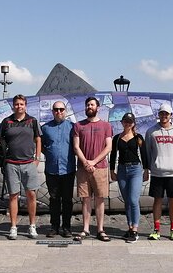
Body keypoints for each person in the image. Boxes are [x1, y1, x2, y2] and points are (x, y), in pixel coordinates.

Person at [0, 94, 42, 240]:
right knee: (13, 196)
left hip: (28, 163)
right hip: (11, 164)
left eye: (21, 104)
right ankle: (13, 226)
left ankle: (32, 226)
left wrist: (37, 159)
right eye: (16, 104)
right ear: (13, 106)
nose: (19, 106)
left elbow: (38, 139)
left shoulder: (32, 121)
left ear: (25, 105)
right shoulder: (6, 122)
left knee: (31, 195)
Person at [73, 96, 113, 242]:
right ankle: (85, 229)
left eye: (92, 105)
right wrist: (85, 162)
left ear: (98, 108)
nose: (89, 107)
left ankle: (101, 229)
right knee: (85, 199)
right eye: (87, 105)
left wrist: (94, 161)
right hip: (83, 168)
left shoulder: (106, 126)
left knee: (100, 199)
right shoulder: (78, 126)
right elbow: (76, 146)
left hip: (100, 168)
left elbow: (108, 146)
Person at [145, 103, 173, 241]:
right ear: (158, 114)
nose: (164, 116)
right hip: (157, 172)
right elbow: (148, 151)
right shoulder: (151, 131)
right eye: (161, 113)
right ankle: (156, 229)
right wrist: (153, 165)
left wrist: (172, 163)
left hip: (172, 172)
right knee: (157, 200)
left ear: (171, 115)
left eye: (166, 114)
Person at [110, 112, 149, 243]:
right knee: (126, 200)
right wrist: (112, 170)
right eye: (125, 121)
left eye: (130, 122)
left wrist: (146, 170)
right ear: (122, 122)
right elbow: (113, 155)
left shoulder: (138, 137)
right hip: (121, 169)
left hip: (135, 169)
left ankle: (135, 229)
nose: (127, 123)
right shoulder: (117, 138)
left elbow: (144, 154)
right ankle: (130, 226)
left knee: (133, 200)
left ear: (133, 123)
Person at [41, 101, 76, 238]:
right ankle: (54, 226)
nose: (59, 112)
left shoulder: (72, 127)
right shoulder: (45, 128)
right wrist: (49, 153)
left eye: (61, 109)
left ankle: (66, 227)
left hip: (68, 169)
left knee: (67, 200)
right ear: (52, 111)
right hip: (52, 169)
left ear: (65, 111)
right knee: (54, 199)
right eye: (56, 109)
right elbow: (41, 145)